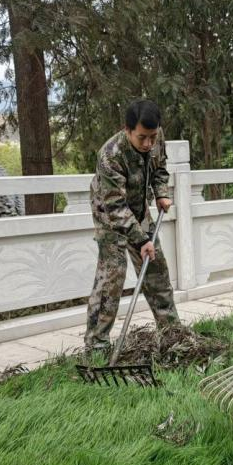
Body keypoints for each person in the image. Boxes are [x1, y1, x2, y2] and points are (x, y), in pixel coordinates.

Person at [84, 99, 180, 353]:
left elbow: (160, 168)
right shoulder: (110, 155)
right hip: (109, 215)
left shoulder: (156, 136)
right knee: (112, 276)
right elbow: (116, 207)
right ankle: (96, 346)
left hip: (139, 208)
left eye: (152, 137)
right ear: (127, 130)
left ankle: (172, 334)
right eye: (142, 138)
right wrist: (141, 240)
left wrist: (161, 193)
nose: (148, 143)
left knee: (156, 269)